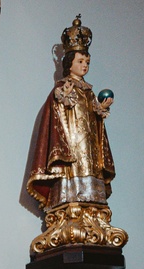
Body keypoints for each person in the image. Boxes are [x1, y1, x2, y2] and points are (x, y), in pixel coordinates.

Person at [25, 15, 126, 254]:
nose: (85, 65)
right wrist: (63, 97)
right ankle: (69, 203)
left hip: (88, 146)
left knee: (91, 168)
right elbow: (56, 109)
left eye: (87, 61)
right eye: (81, 60)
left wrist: (102, 109)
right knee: (73, 170)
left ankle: (92, 204)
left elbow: (95, 120)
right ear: (69, 62)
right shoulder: (63, 87)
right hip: (71, 144)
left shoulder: (89, 92)